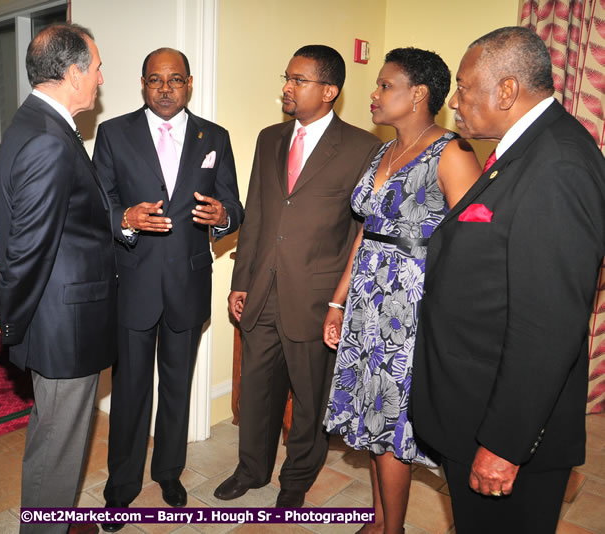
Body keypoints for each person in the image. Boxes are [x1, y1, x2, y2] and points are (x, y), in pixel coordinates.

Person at [411, 27, 605, 533]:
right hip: (474, 403)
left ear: (506, 91)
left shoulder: (557, 164)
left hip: (503, 428)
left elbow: (548, 326)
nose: (454, 100)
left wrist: (503, 444)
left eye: (464, 86)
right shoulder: (524, 150)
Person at [215, 45, 381, 508]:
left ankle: (297, 478)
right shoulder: (270, 138)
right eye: (286, 78)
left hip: (316, 296)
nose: (287, 88)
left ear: (329, 90)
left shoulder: (364, 148)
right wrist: (240, 282)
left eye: (299, 80)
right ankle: (250, 470)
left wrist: (340, 299)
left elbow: (359, 232)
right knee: (256, 390)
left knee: (310, 398)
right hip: (262, 289)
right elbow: (259, 214)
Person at [321, 48, 479, 534]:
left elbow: (476, 246)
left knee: (393, 421)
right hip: (368, 300)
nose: (373, 94)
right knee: (372, 415)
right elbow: (370, 232)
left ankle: (393, 529)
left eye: (384, 85)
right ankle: (381, 518)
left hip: (410, 308)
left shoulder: (451, 152)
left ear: (418, 95)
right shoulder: (384, 150)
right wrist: (338, 300)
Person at [93, 47, 243, 528]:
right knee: (132, 392)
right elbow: (100, 203)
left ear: (189, 83)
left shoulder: (213, 136)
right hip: (134, 283)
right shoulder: (113, 133)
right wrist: (125, 220)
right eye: (155, 80)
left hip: (188, 283)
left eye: (174, 79)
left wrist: (223, 218)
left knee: (177, 388)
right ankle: (121, 487)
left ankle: (170, 473)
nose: (164, 88)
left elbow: (233, 204)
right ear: (142, 84)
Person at [0, 23, 114, 534]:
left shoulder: (40, 123)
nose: (102, 77)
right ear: (72, 73)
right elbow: (28, 247)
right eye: (98, 66)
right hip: (64, 323)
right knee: (58, 449)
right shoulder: (47, 139)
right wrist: (10, 317)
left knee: (52, 441)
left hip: (60, 314)